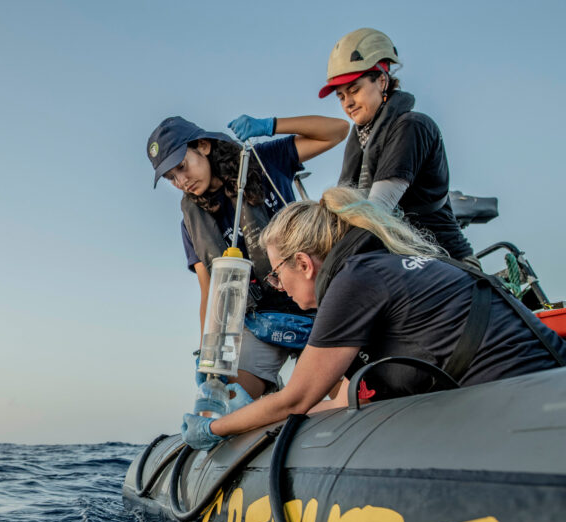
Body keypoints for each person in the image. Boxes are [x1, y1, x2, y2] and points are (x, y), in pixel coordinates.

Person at [180, 186, 566, 451]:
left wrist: (214, 428)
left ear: (303, 263)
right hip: (536, 392)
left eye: (278, 274)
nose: (279, 286)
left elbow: (296, 398)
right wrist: (248, 419)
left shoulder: (354, 280)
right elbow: (342, 398)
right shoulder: (378, 268)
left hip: (529, 409)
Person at [147, 113, 348, 398]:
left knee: (347, 394)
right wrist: (210, 352)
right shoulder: (191, 222)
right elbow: (210, 290)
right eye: (171, 177)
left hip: (314, 303)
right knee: (229, 399)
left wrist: (271, 126)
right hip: (260, 319)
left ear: (203, 146)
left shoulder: (263, 163)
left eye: (182, 166)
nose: (181, 181)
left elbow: (338, 131)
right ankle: (270, 395)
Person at [318, 27, 476, 263]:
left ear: (382, 81)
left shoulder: (411, 127)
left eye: (354, 90)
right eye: (341, 97)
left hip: (444, 262)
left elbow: (377, 211)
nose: (347, 103)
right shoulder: (362, 138)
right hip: (401, 261)